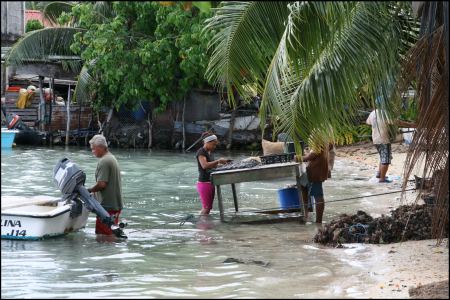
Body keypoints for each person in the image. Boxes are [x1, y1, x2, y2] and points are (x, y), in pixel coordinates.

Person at [366, 108, 416, 183]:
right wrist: (411, 125)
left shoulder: (373, 113)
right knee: (386, 160)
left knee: (382, 156)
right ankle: (382, 179)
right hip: (384, 139)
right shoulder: (384, 113)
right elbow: (397, 122)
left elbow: (368, 122)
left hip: (375, 139)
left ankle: (379, 174)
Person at [87, 134, 123, 235]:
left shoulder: (104, 161)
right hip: (113, 204)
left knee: (103, 237)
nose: (92, 151)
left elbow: (102, 184)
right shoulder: (111, 157)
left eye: (93, 149)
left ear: (100, 147)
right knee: (110, 233)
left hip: (107, 207)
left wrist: (89, 190)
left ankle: (105, 251)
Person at [297, 142, 330, 224]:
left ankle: (318, 221)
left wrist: (297, 158)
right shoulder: (321, 137)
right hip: (312, 171)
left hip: (316, 172)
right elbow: (312, 155)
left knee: (318, 195)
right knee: (303, 186)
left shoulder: (319, 138)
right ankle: (306, 214)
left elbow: (310, 157)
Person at [196, 133, 228, 215]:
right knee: (206, 208)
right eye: (213, 144)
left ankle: (205, 225)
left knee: (208, 208)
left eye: (215, 145)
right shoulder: (201, 152)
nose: (214, 147)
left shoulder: (210, 152)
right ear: (207, 142)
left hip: (211, 181)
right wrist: (218, 161)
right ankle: (201, 225)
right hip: (204, 182)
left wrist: (222, 164)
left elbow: (212, 166)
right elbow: (204, 165)